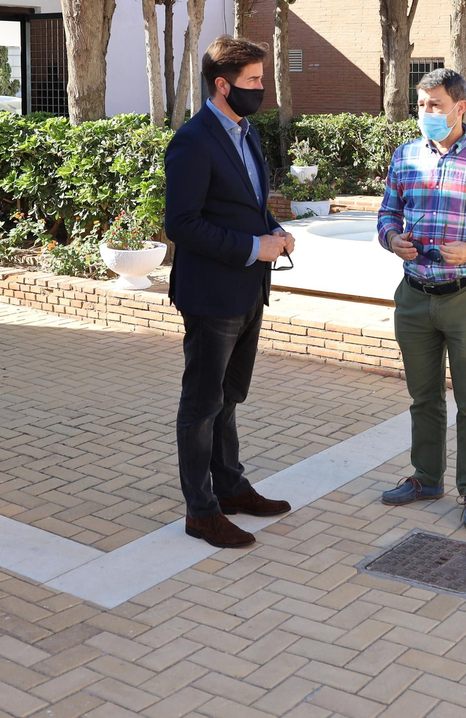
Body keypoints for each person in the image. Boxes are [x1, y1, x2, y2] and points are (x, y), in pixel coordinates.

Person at [376, 69, 466, 532]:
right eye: (421, 106)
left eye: (435, 105)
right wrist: (391, 238)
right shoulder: (405, 157)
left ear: (460, 108)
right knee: (423, 398)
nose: (426, 115)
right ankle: (425, 479)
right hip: (415, 296)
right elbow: (387, 212)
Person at [164, 36, 297, 548]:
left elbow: (248, 203)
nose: (262, 89)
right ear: (222, 85)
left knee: (230, 397)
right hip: (211, 294)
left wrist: (274, 234)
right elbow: (182, 224)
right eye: (253, 82)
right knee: (201, 404)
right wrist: (251, 246)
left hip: (248, 291)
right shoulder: (193, 141)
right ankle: (201, 511)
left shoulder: (247, 133)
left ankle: (231, 487)